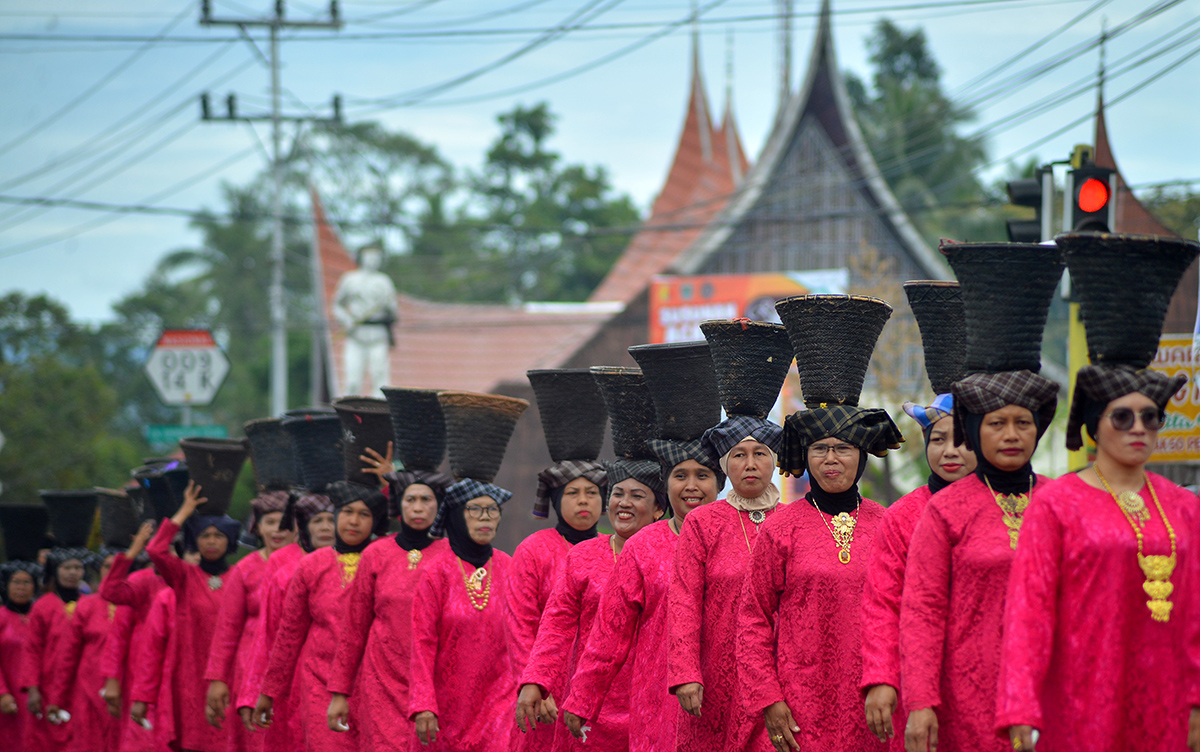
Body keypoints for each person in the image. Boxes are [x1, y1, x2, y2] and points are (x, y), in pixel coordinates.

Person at [997, 233, 1200, 751]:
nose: (1139, 428)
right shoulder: (1057, 503)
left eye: (1150, 417)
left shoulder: (1184, 506)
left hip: (1168, 699)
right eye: (1123, 416)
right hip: (1081, 697)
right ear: (1094, 424)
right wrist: (1020, 704)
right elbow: (1029, 611)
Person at [900, 241, 1063, 752]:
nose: (1011, 434)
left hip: (1058, 686)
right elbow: (922, 609)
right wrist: (921, 701)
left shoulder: (1066, 504)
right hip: (968, 695)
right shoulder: (947, 511)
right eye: (997, 423)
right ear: (974, 429)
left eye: (1023, 422)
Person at [739, 294, 904, 751]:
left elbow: (903, 616)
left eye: (844, 448)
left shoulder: (889, 525)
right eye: (820, 449)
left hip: (877, 700)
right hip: (799, 704)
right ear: (805, 457)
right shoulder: (781, 527)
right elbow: (753, 618)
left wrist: (888, 681)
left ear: (862, 455)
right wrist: (769, 699)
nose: (831, 460)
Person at [860, 281, 976, 749]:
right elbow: (882, 603)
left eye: (961, 438)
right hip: (919, 678)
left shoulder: (1012, 508)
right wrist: (881, 678)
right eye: (938, 440)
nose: (949, 451)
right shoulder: (903, 516)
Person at [669, 320, 793, 752]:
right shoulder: (704, 523)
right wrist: (686, 672)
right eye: (739, 455)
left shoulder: (792, 520)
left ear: (774, 461)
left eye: (760, 453)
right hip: (714, 675)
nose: (750, 463)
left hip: (782, 674)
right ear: (725, 465)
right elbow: (684, 600)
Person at [508, 368, 611, 752]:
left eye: (591, 492)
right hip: (543, 693)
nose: (584, 501)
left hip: (600, 692)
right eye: (573, 494)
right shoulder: (534, 550)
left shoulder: (615, 548)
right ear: (555, 501)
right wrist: (537, 684)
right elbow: (521, 628)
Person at [255, 481, 388, 751]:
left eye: (364, 515)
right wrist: (270, 691)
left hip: (374, 682)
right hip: (319, 681)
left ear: (375, 522)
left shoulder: (386, 561)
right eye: (348, 512)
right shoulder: (310, 566)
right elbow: (290, 633)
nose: (354, 521)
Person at [328, 463, 453, 750]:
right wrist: (339, 692)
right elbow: (354, 628)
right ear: (399, 505)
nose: (418, 508)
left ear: (439, 506)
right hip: (381, 681)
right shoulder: (376, 553)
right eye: (411, 500)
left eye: (426, 500)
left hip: (437, 682)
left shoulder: (451, 554)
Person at [409, 479, 516, 751]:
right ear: (456, 516)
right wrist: (423, 704)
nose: (485, 518)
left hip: (500, 701)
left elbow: (525, 632)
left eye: (492, 510)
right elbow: (422, 642)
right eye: (475, 509)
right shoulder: (436, 572)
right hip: (447, 705)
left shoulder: (510, 567)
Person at [145, 481, 242, 752]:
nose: (211, 541)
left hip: (232, 674)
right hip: (190, 678)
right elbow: (155, 550)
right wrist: (184, 511)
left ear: (230, 540)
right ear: (194, 541)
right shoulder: (185, 576)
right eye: (205, 536)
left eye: (219, 535)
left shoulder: (241, 575)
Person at [204, 490, 295, 750]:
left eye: (284, 522)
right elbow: (227, 629)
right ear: (257, 528)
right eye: (269, 522)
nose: (278, 530)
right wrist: (218, 680)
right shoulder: (246, 568)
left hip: (294, 670)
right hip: (249, 671)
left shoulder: (306, 563)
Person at [47, 552, 120, 752]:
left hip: (126, 694)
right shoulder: (87, 605)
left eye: (120, 565)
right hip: (88, 693)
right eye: (107, 566)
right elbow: (68, 656)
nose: (114, 570)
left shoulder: (138, 603)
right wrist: (57, 698)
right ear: (99, 571)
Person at [332, 243, 397, 396]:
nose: (373, 260)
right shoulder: (349, 279)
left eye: (376, 257)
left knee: (380, 380)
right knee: (352, 383)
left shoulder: (384, 282)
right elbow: (337, 305)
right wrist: (346, 319)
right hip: (356, 335)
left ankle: (380, 415)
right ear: (361, 258)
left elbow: (394, 313)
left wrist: (388, 307)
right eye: (369, 256)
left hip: (378, 336)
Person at [1, 554, 41, 752]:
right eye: (16, 582)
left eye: (27, 582)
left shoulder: (40, 616)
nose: (21, 587)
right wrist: (2, 694)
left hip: (39, 695)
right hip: (8, 696)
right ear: (6, 585)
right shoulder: (1, 617)